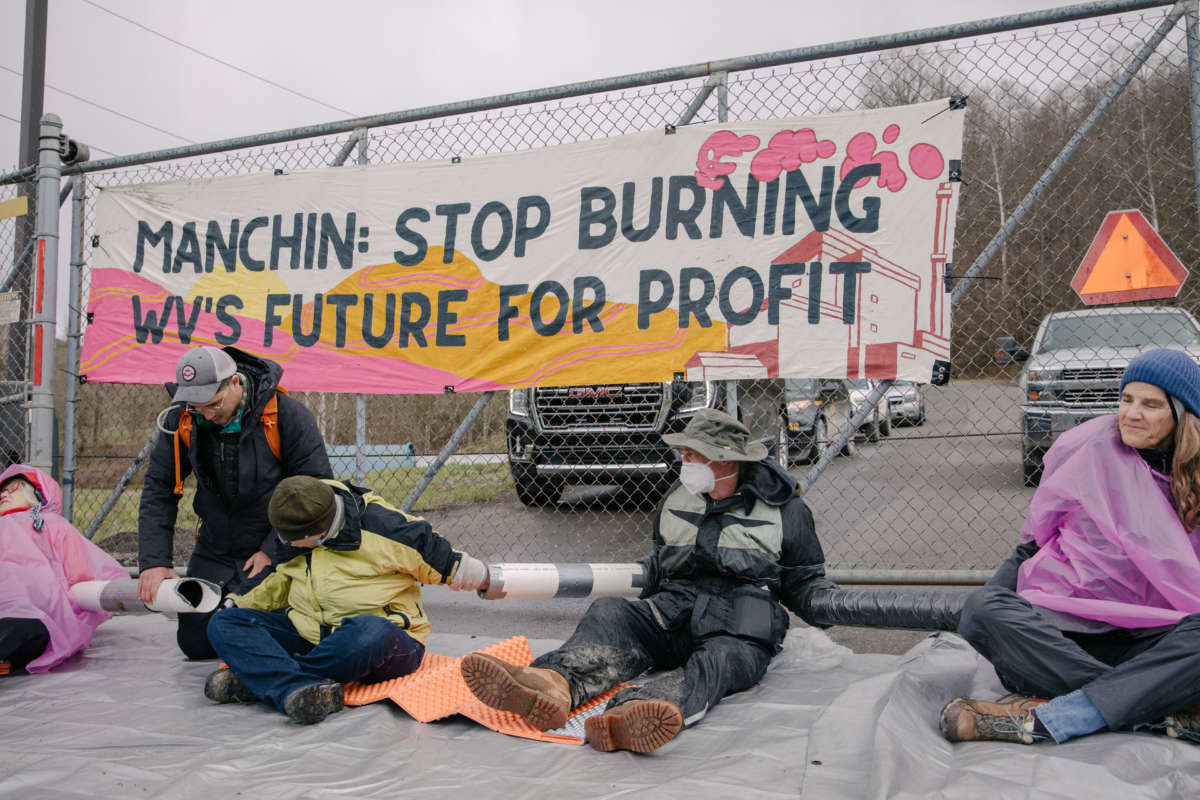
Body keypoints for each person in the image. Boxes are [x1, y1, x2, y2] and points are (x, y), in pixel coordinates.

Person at [459, 407, 836, 752]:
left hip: (738, 628)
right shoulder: (677, 498)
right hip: (675, 614)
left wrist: (831, 604)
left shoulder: (786, 510)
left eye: (693, 454)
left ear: (724, 459)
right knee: (611, 614)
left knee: (718, 661)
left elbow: (804, 580)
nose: (684, 461)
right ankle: (550, 685)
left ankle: (636, 713)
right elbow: (661, 564)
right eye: (684, 453)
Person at [941, 348, 1200, 746]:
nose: (1131, 414)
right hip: (1068, 640)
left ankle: (1065, 713)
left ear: (1182, 415)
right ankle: (1141, 711)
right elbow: (1032, 545)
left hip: (1158, 641)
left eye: (1151, 405)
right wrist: (990, 608)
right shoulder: (1087, 450)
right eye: (1126, 399)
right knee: (983, 611)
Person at [203, 475, 489, 725]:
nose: (283, 542)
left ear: (316, 534)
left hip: (383, 640)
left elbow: (445, 562)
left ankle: (265, 681)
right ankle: (297, 688)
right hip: (311, 634)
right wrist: (237, 602)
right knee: (223, 623)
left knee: (370, 632)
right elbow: (281, 579)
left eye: (290, 539)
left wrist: (486, 578)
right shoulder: (293, 525)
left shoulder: (385, 527)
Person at [138, 346, 332, 659]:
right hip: (216, 549)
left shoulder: (286, 415)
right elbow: (159, 490)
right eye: (197, 407)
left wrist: (274, 549)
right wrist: (154, 561)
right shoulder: (183, 420)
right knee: (196, 644)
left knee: (279, 631)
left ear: (234, 384)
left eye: (214, 404)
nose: (208, 414)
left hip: (274, 548)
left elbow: (317, 491)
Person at [0, 465, 128, 675]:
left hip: (34, 615)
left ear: (35, 493)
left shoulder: (49, 525)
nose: (4, 493)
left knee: (26, 628)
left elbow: (79, 573)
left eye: (13, 487)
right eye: (1, 491)